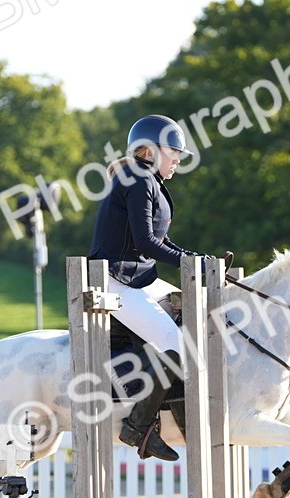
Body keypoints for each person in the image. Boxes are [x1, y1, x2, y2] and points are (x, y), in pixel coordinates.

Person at [88, 114, 209, 461]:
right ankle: (138, 427)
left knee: (193, 309)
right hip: (116, 280)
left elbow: (161, 240)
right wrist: (189, 263)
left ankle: (177, 410)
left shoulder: (148, 179)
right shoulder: (139, 179)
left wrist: (195, 258)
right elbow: (145, 242)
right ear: (152, 151)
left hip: (138, 277)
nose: (178, 160)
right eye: (174, 152)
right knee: (175, 343)